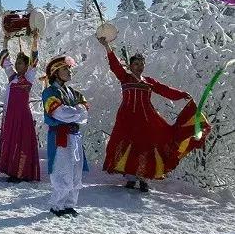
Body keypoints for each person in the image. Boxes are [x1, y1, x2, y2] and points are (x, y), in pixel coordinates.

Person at [98, 37, 210, 192]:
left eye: (141, 64)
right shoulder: (125, 77)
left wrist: (181, 94)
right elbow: (115, 65)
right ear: (130, 66)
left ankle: (143, 177)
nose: (139, 66)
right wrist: (107, 46)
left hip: (146, 118)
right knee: (127, 144)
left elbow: (164, 89)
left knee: (147, 145)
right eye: (136, 64)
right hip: (127, 118)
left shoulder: (148, 81)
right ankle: (130, 177)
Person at [42, 55, 89, 217]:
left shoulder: (73, 92)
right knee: (62, 170)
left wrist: (74, 113)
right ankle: (57, 205)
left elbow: (85, 113)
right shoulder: (49, 92)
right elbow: (60, 113)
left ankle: (70, 204)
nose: (69, 71)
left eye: (69, 68)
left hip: (75, 136)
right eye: (65, 69)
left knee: (76, 170)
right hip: (60, 137)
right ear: (56, 72)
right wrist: (76, 112)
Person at [0, 31, 41, 183]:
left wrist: (35, 39)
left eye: (20, 63)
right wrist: (5, 40)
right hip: (10, 115)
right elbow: (4, 60)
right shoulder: (12, 77)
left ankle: (22, 172)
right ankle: (12, 171)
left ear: (26, 65)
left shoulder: (29, 77)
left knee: (22, 142)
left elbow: (35, 59)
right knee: (12, 141)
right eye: (17, 62)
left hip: (22, 116)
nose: (16, 65)